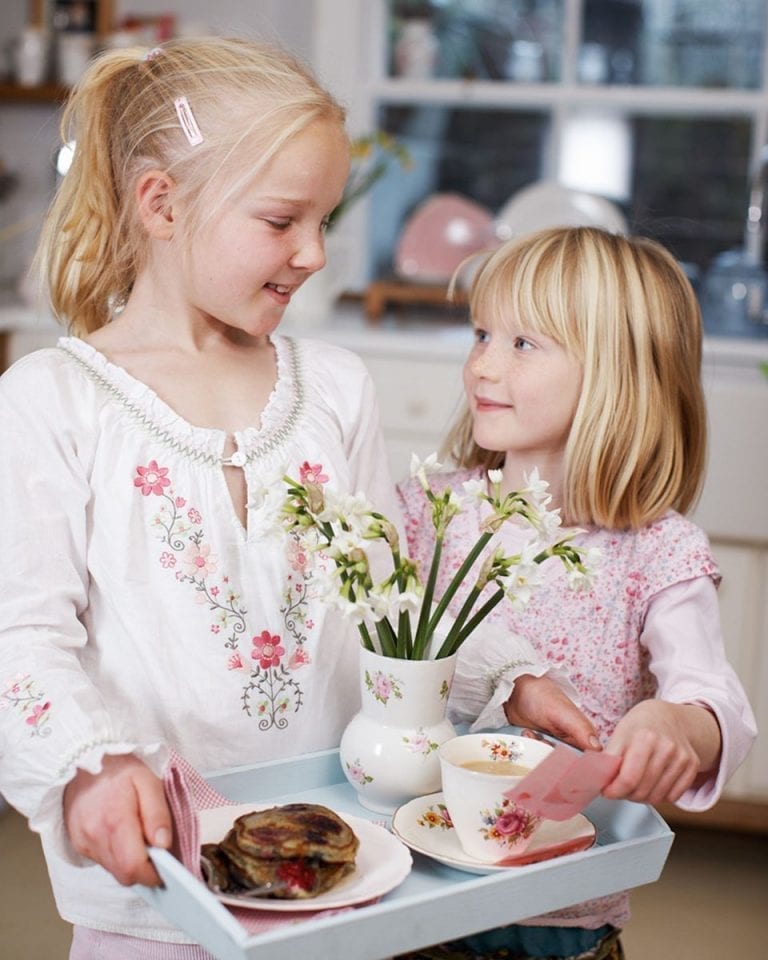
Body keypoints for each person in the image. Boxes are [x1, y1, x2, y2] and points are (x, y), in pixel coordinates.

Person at [0, 37, 595, 960]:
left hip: (346, 871)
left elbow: (391, 591)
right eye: (283, 221)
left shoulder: (335, 387)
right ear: (161, 204)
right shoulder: (53, 400)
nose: (314, 253)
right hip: (159, 901)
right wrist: (89, 767)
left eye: (325, 219)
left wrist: (507, 678)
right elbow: (20, 635)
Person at [396, 226, 757, 960]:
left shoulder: (657, 554)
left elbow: (712, 701)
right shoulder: (426, 514)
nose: (482, 366)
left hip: (563, 930)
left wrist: (675, 727)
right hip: (412, 906)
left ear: (618, 376)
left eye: (523, 344)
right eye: (481, 334)